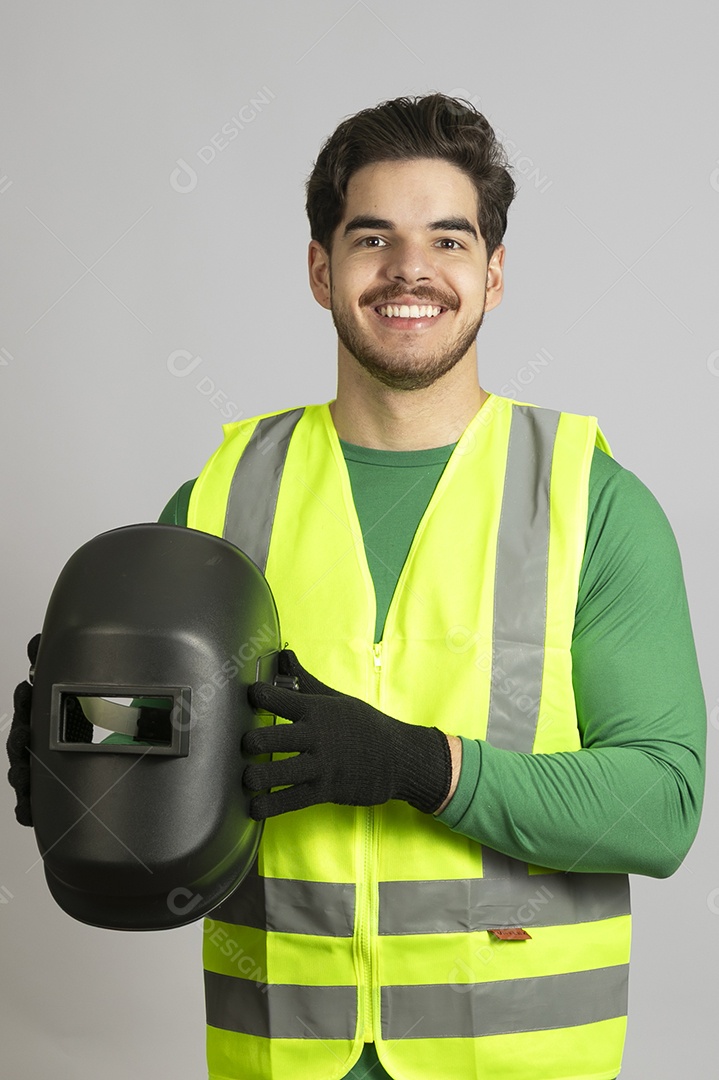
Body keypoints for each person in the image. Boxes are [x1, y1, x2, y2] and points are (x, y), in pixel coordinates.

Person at [8, 93, 706, 1080]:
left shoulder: (590, 499)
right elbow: (156, 769)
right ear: (318, 269)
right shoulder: (214, 502)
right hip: (276, 1058)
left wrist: (421, 767)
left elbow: (661, 807)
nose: (408, 270)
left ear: (492, 274)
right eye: (370, 237)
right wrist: (79, 755)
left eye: (447, 241)